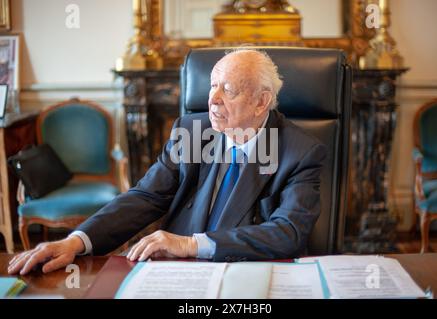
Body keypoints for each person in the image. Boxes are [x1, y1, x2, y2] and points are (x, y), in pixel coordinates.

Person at [8, 49, 326, 275]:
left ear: (261, 101)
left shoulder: (300, 152)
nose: (212, 99)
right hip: (176, 274)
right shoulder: (191, 131)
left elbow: (288, 232)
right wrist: (76, 241)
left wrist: (192, 244)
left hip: (248, 275)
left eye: (228, 89)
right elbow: (146, 196)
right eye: (212, 85)